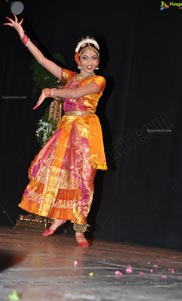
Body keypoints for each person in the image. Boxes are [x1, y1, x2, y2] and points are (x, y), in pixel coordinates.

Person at [3, 14, 108, 247]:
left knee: (84, 179)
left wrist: (50, 92)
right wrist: (22, 34)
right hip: (66, 129)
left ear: (98, 61)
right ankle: (59, 217)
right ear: (77, 60)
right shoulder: (69, 77)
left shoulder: (99, 81)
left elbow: (75, 95)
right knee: (56, 172)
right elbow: (42, 60)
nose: (90, 62)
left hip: (86, 132)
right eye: (85, 58)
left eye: (94, 57)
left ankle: (80, 228)